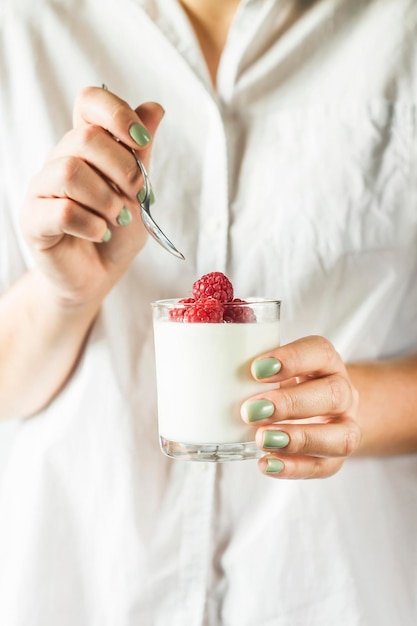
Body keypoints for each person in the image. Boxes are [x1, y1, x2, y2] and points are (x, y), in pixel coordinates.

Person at [0, 0, 417, 623]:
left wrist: (358, 405)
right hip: (83, 584)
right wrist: (66, 295)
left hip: (328, 585)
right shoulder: (21, 24)